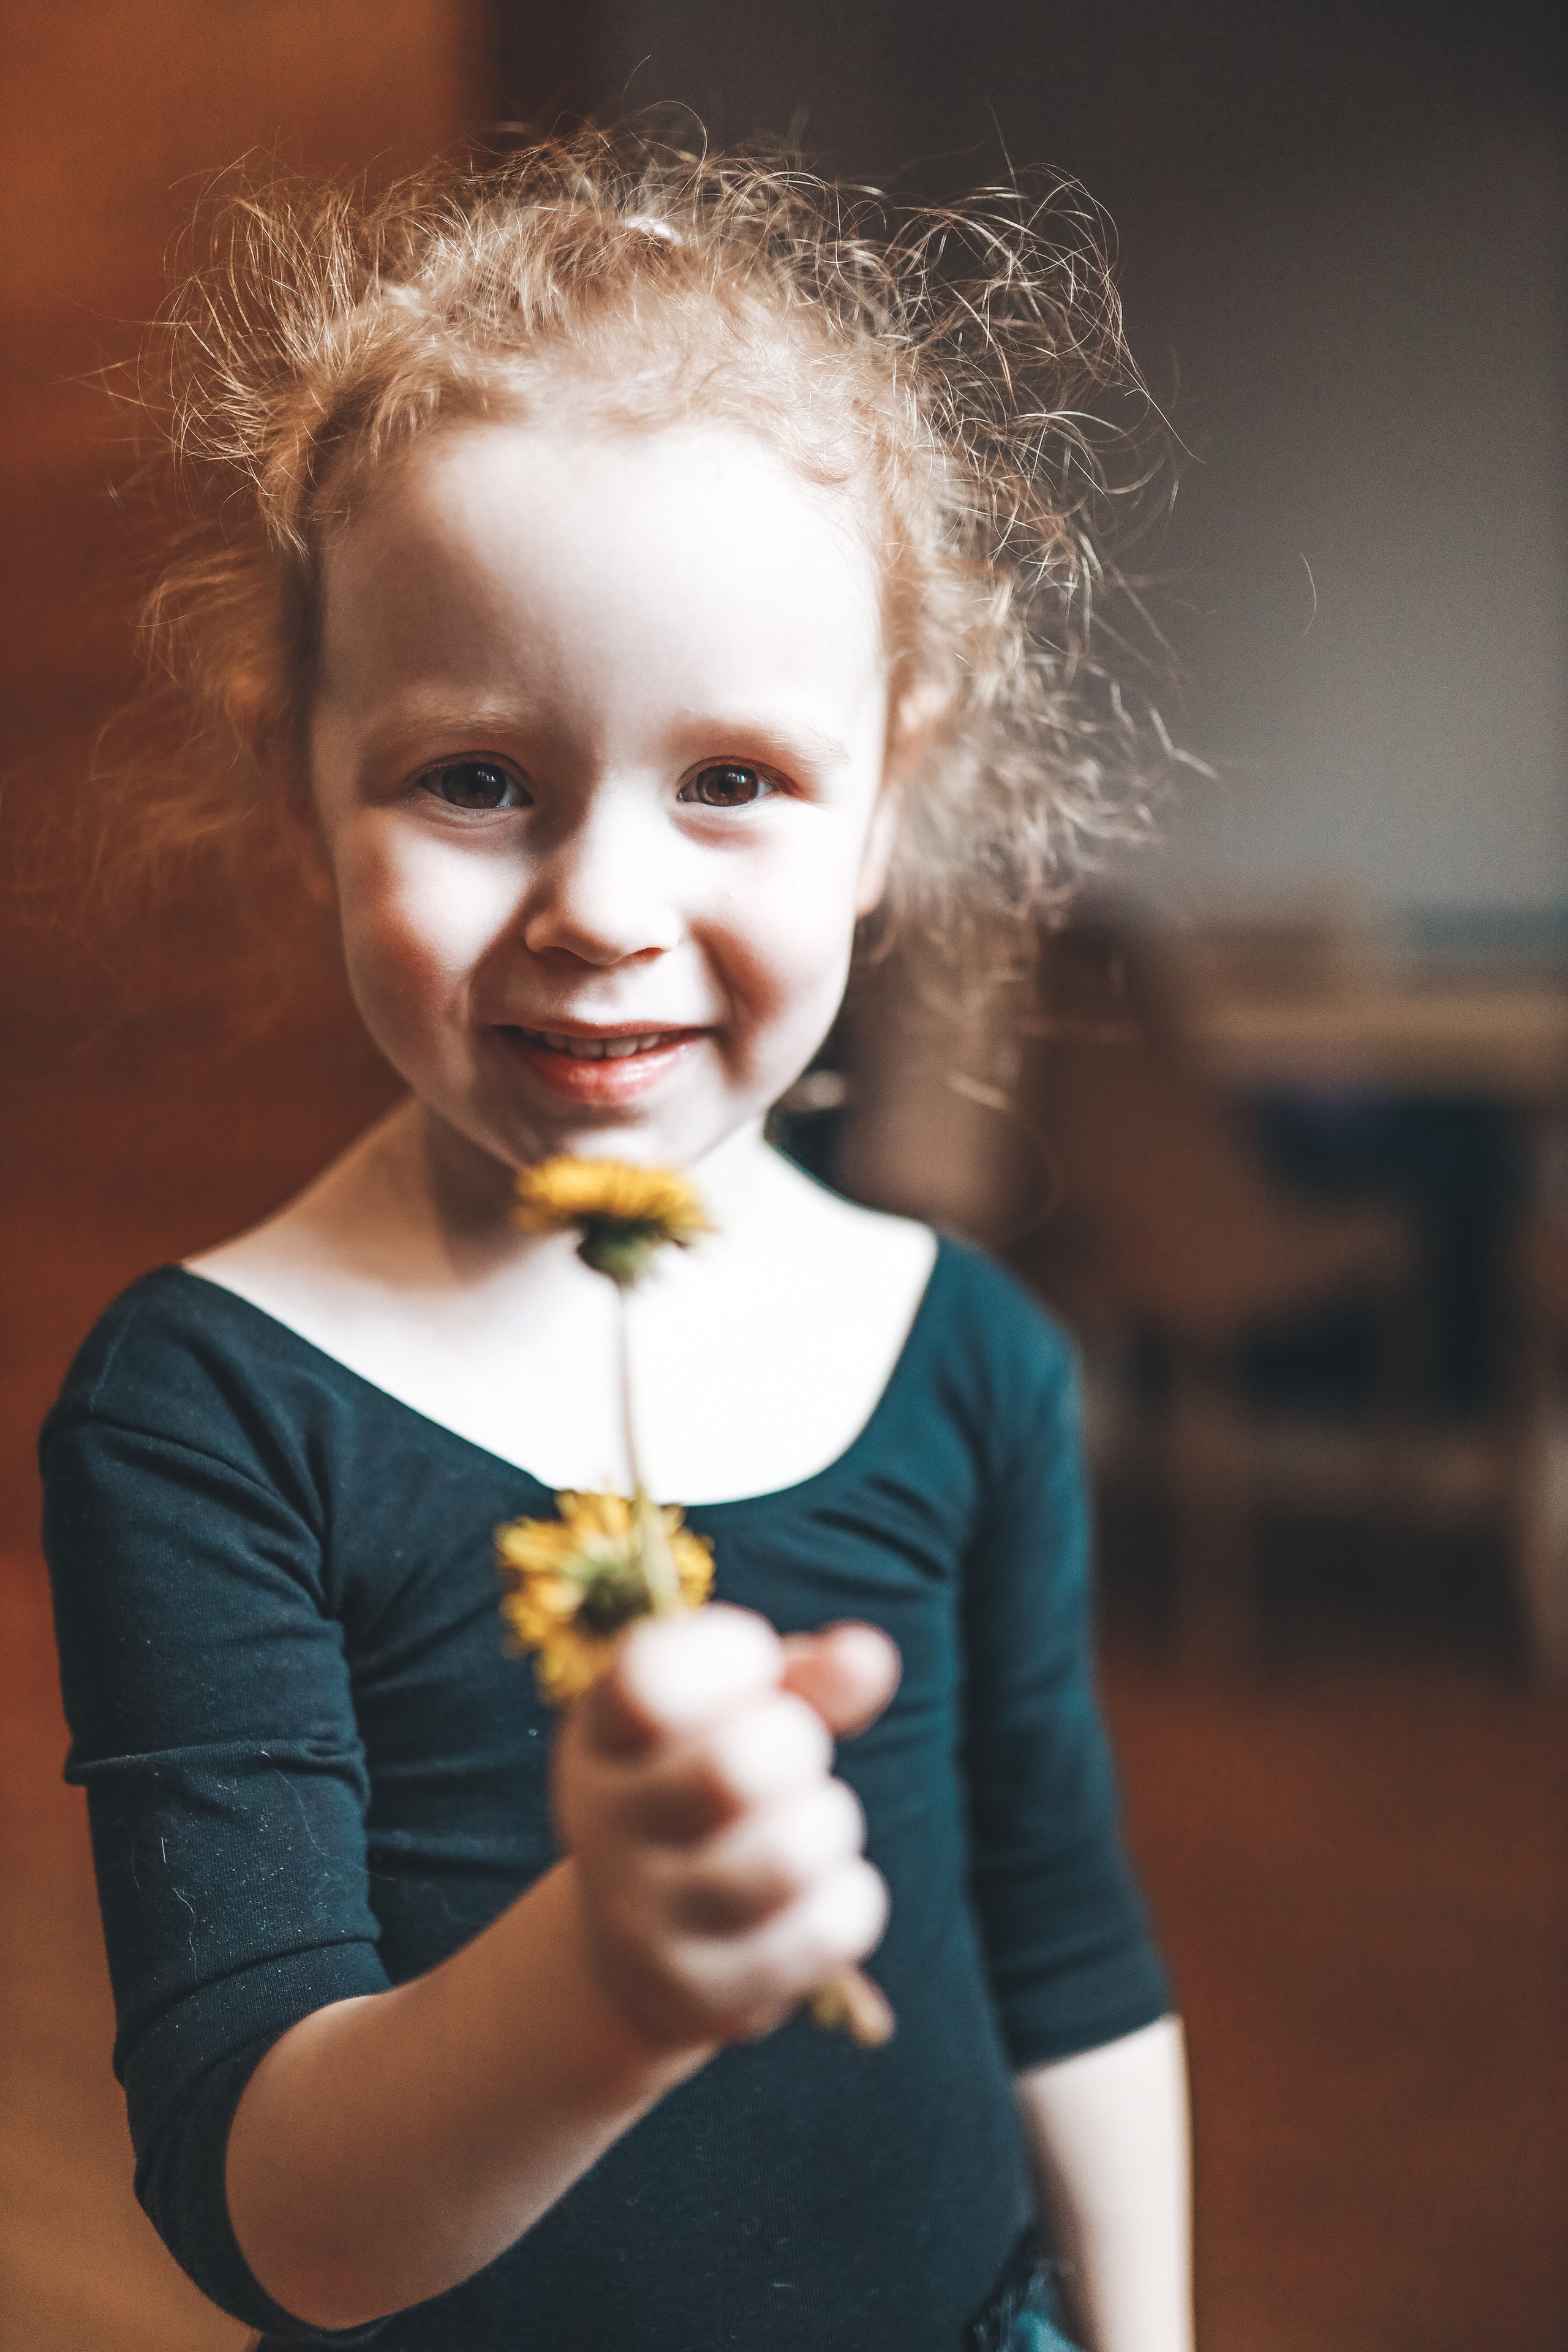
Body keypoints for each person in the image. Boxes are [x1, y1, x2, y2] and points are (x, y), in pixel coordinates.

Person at [42, 131, 1194, 2352]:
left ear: (889, 794)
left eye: (736, 779)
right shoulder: (207, 1414)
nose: (601, 905)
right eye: (477, 777)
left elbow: (1069, 1958)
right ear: (304, 781)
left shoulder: (969, 1359)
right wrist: (611, 1982)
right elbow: (264, 2205)